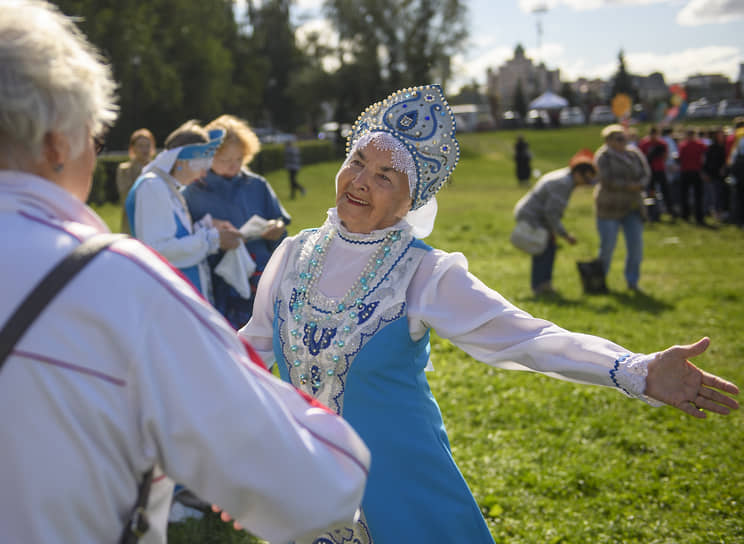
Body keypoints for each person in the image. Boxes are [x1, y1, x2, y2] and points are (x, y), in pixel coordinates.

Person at [0, 2, 373, 543]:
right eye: (94, 131)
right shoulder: (122, 285)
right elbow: (317, 487)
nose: (94, 147)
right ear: (58, 141)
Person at [239, 85, 739, 544]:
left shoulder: (422, 273)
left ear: (413, 198)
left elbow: (528, 337)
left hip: (403, 494)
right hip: (308, 490)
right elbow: (253, 350)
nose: (361, 182)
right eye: (357, 161)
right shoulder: (291, 255)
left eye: (386, 175)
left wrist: (635, 368)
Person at [183, 114, 291, 328]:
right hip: (219, 285)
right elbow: (184, 243)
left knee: (261, 347)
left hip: (260, 279)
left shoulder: (257, 185)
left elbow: (280, 226)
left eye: (239, 159)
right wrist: (211, 231)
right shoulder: (192, 192)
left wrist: (277, 230)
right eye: (225, 160)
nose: (233, 165)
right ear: (208, 156)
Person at [124, 120, 242, 301]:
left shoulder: (165, 186)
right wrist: (214, 240)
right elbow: (159, 249)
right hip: (167, 299)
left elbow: (174, 236)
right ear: (181, 161)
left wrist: (207, 226)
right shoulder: (153, 186)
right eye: (202, 166)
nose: (204, 174)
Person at [514, 149, 598, 295]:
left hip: (539, 217)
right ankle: (540, 287)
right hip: (533, 217)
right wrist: (564, 234)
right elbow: (551, 213)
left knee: (549, 248)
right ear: (578, 173)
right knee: (543, 249)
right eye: (586, 179)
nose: (587, 184)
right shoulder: (563, 184)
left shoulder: (566, 178)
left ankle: (544, 284)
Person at [594, 124, 650, 291]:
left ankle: (632, 282)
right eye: (619, 139)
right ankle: (599, 282)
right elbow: (605, 179)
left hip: (633, 207)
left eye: (624, 138)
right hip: (609, 208)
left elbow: (646, 173)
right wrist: (628, 186)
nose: (623, 141)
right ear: (608, 141)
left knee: (636, 247)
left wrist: (640, 184)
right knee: (608, 246)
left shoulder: (634, 154)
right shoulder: (603, 156)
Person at [115, 128, 156, 234]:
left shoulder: (158, 169)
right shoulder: (124, 169)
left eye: (147, 145)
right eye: (141, 146)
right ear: (133, 148)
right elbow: (127, 196)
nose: (145, 149)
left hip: (154, 222)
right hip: (131, 222)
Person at [637, 126, 675, 220]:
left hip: (660, 169)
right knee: (651, 192)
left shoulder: (661, 143)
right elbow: (641, 157)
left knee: (665, 191)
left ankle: (670, 211)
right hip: (650, 171)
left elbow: (665, 156)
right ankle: (652, 212)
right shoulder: (644, 143)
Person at [677, 128, 709, 226]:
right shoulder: (701, 145)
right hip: (696, 172)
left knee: (684, 195)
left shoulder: (683, 145)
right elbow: (705, 159)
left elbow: (680, 158)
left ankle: (685, 215)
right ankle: (699, 216)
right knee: (698, 196)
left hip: (685, 172)